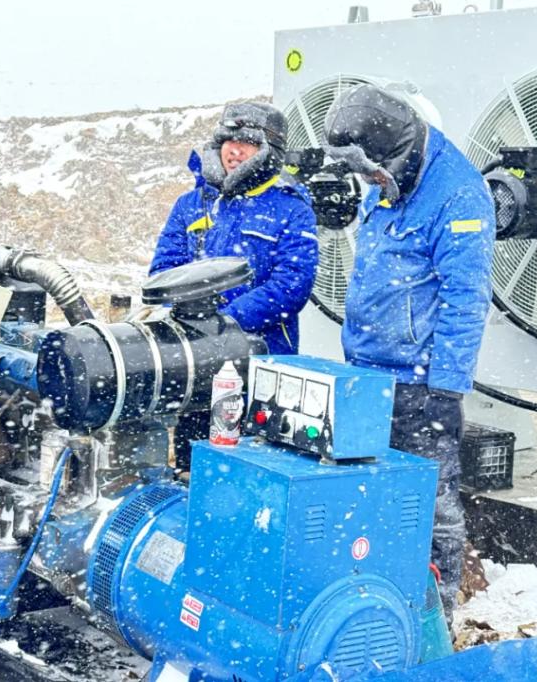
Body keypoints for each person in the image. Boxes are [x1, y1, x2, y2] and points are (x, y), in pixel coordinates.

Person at [322, 84, 496, 620]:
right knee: (371, 496)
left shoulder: (458, 194)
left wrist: (446, 387)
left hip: (420, 383)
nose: (371, 184)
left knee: (430, 504)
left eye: (374, 174)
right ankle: (376, 602)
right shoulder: (386, 181)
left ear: (396, 153)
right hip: (367, 372)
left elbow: (466, 297)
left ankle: (431, 618)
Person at [150, 101, 319, 470]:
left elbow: (292, 285)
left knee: (251, 468)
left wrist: (227, 322)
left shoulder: (291, 209)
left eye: (249, 143)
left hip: (261, 365)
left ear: (269, 151)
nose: (235, 151)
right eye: (229, 140)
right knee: (194, 465)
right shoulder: (191, 204)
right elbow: (164, 270)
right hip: (196, 364)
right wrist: (193, 323)